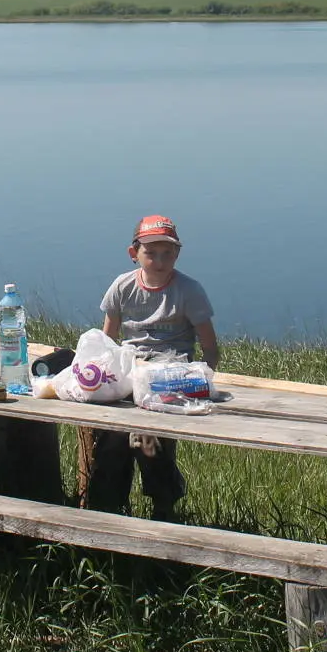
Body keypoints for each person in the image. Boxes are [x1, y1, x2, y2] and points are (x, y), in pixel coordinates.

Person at [81, 214, 219, 521]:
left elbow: (210, 347)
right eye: (151, 253)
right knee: (113, 437)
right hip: (130, 370)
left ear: (177, 254)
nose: (159, 261)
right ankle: (106, 510)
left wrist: (202, 382)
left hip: (170, 374)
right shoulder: (122, 286)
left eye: (167, 253)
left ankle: (163, 506)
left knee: (148, 439)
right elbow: (107, 342)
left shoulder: (189, 290)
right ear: (134, 253)